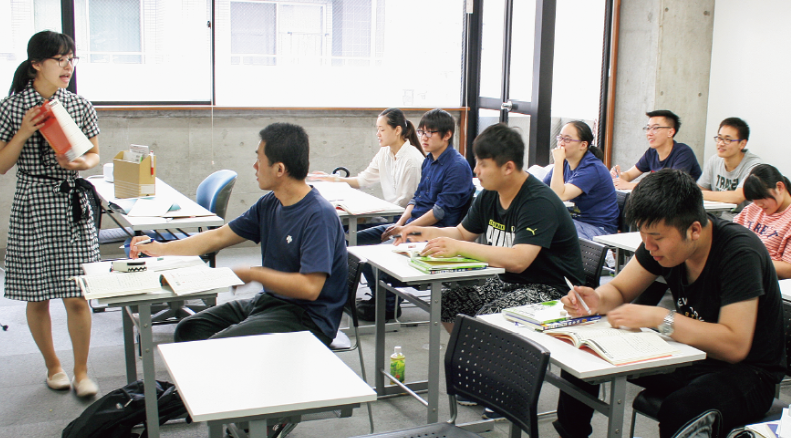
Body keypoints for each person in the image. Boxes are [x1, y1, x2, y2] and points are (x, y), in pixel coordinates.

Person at [554, 169, 785, 438]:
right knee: (587, 358)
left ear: (694, 230)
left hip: (749, 372)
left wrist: (659, 318)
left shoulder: (739, 252)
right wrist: (597, 299)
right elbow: (620, 288)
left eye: (657, 238)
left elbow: (734, 345)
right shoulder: (661, 243)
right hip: (692, 354)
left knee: (681, 409)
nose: (649, 246)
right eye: (643, 236)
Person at [130, 123, 347, 346]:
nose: (255, 166)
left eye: (259, 159)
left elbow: (310, 288)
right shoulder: (270, 203)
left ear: (279, 169)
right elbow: (218, 237)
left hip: (308, 318)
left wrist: (255, 274)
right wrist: (159, 248)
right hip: (272, 302)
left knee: (219, 346)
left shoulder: (318, 216)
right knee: (189, 330)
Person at [395, 123, 584, 332]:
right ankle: (467, 351)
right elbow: (462, 233)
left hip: (553, 291)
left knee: (487, 319)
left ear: (508, 167)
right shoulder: (490, 193)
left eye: (483, 164)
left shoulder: (538, 202)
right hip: (511, 282)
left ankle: (480, 351)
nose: (476, 170)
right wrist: (423, 232)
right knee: (449, 303)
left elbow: (519, 260)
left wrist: (458, 247)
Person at [0, 31, 101, 397]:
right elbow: (1, 165)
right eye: (60, 59)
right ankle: (53, 366)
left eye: (71, 59)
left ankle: (82, 371)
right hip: (31, 203)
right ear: (36, 64)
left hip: (70, 203)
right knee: (37, 294)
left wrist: (79, 163)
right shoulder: (12, 108)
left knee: (77, 295)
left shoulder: (79, 104)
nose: (68, 66)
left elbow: (94, 155)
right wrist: (23, 133)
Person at [355, 108, 475, 321]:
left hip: (433, 232)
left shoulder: (457, 166)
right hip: (412, 224)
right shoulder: (429, 160)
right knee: (355, 243)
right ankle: (380, 298)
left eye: (430, 133)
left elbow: (439, 212)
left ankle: (387, 306)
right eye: (421, 132)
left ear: (447, 135)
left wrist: (408, 228)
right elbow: (416, 198)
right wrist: (401, 223)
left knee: (376, 256)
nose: (423, 138)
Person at [309, 108, 425, 208]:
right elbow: (363, 180)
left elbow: (406, 202)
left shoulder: (412, 160)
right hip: (391, 213)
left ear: (397, 130)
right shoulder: (384, 152)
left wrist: (379, 210)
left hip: (403, 218)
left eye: (382, 130)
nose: (378, 134)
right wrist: (333, 179)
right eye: (377, 129)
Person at [543, 120, 618, 239]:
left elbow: (558, 195)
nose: (561, 143)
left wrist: (558, 161)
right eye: (560, 138)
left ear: (583, 145)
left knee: (555, 226)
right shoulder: (565, 163)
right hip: (575, 223)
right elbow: (542, 190)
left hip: (598, 228)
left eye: (567, 139)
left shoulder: (592, 168)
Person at [610, 110, 702, 190]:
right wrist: (619, 176)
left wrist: (629, 185)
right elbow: (629, 175)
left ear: (670, 132)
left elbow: (670, 187)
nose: (649, 133)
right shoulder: (652, 152)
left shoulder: (683, 153)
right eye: (648, 128)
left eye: (655, 128)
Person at [734, 164, 791, 279]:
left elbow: (788, 269)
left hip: (765, 279)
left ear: (780, 187)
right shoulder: (751, 210)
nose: (758, 204)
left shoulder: (788, 219)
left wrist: (750, 260)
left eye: (761, 197)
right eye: (754, 199)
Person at [698, 117, 761, 212]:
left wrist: (699, 194)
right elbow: (699, 188)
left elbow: (737, 197)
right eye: (719, 138)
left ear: (742, 144)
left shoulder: (754, 166)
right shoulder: (714, 160)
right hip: (714, 216)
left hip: (739, 218)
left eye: (727, 139)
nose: (720, 143)